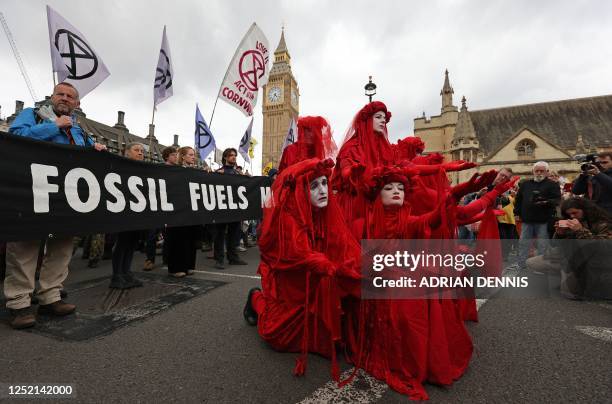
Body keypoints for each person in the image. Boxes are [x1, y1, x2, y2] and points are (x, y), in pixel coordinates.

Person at [243, 158, 361, 381]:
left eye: (325, 183)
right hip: (292, 284)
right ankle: (255, 299)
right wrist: (331, 267)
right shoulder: (288, 217)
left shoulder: (328, 213)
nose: (323, 190)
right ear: (300, 191)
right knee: (276, 335)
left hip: (317, 281)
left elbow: (343, 245)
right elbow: (300, 255)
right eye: (314, 186)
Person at [4, 82, 106, 329]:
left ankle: (50, 296)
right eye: (60, 94)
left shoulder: (79, 130)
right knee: (25, 246)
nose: (65, 98)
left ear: (77, 104)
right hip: (33, 190)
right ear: (52, 97)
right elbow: (16, 138)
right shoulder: (33, 115)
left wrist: (96, 149)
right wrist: (53, 127)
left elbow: (83, 156)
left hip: (66, 196)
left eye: (70, 96)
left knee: (62, 246)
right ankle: (19, 302)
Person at [332, 101, 395, 225]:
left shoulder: (386, 149)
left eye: (384, 118)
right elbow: (345, 170)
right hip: (356, 207)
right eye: (378, 117)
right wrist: (351, 171)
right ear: (367, 120)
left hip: (379, 206)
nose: (383, 121)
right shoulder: (351, 147)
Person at [110, 143, 146, 289]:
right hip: (123, 210)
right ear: (126, 152)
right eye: (136, 150)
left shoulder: (145, 170)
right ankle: (116, 275)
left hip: (137, 212)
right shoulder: (119, 166)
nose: (140, 153)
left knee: (132, 242)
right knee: (122, 242)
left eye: (142, 151)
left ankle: (126, 272)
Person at [513, 161, 561, 270]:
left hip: (544, 220)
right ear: (533, 171)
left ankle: (539, 266)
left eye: (542, 171)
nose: (539, 173)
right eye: (537, 171)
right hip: (527, 219)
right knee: (524, 243)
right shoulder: (525, 184)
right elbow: (518, 200)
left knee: (542, 245)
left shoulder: (552, 185)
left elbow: (557, 200)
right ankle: (521, 264)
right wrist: (516, 213)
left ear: (547, 172)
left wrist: (545, 202)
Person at [165, 146, 201, 277]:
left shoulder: (196, 171)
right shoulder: (175, 170)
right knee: (178, 238)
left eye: (194, 155)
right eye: (190, 154)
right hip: (177, 209)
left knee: (191, 237)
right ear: (183, 156)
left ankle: (189, 265)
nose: (193, 157)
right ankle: (176, 268)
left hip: (191, 209)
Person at [143, 146, 178, 271]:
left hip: (170, 207)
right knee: (152, 235)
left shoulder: (178, 170)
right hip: (157, 206)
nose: (176, 157)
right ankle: (149, 259)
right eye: (173, 155)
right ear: (167, 156)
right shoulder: (158, 168)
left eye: (176, 154)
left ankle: (167, 259)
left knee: (168, 234)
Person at [213, 148, 247, 269]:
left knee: (234, 233)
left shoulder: (238, 174)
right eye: (231, 155)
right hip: (221, 209)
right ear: (225, 158)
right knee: (220, 234)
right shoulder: (218, 172)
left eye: (235, 155)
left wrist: (246, 179)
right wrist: (216, 176)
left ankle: (233, 257)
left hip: (235, 209)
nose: (233, 157)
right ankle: (219, 259)